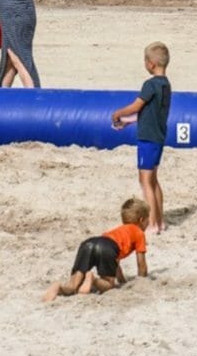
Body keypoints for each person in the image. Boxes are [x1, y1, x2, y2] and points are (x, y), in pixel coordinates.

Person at [111, 43, 171, 235]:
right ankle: (160, 221)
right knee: (153, 180)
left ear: (151, 64)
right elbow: (148, 113)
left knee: (145, 181)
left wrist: (118, 113)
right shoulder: (166, 85)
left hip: (148, 138)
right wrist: (127, 121)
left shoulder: (150, 85)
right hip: (158, 136)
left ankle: (152, 224)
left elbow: (137, 106)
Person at [43, 197, 149, 301]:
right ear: (141, 220)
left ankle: (58, 287)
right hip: (107, 248)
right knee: (109, 285)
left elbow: (115, 262)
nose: (148, 222)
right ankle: (92, 279)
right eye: (148, 219)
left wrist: (122, 280)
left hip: (90, 243)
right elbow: (141, 264)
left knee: (73, 286)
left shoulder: (118, 231)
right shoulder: (139, 233)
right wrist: (142, 280)